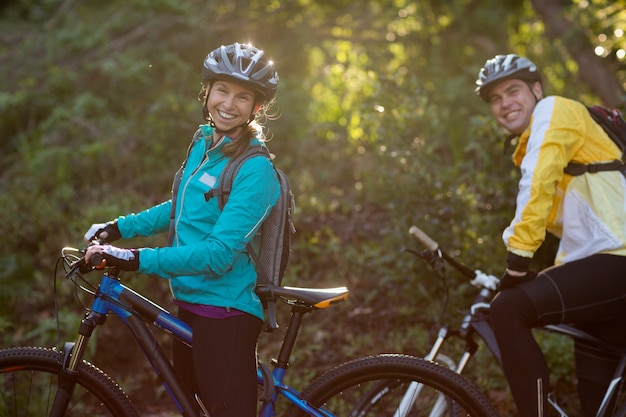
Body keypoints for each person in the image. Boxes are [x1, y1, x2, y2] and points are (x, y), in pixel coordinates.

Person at [83, 42, 281, 417]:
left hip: (225, 314)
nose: (228, 103)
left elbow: (218, 255)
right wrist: (119, 228)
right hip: (188, 305)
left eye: (243, 96)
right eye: (222, 89)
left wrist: (135, 258)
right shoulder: (204, 144)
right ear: (207, 91)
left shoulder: (256, 172)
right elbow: (181, 207)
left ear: (257, 108)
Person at [475, 53, 626, 417]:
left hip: (617, 259)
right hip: (598, 269)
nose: (504, 103)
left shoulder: (554, 111)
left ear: (537, 90)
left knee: (509, 308)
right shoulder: (532, 142)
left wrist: (517, 262)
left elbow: (537, 184)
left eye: (513, 91)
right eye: (495, 98)